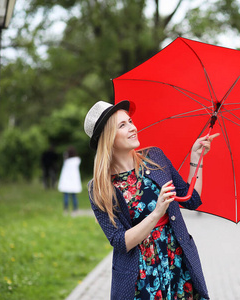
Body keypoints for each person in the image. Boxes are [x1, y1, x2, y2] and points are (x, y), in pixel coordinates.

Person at [84, 100, 219, 300]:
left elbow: (191, 199)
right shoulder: (100, 188)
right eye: (123, 125)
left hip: (176, 262)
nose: (133, 128)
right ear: (108, 138)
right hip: (140, 274)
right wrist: (157, 213)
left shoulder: (154, 157)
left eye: (130, 121)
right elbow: (120, 242)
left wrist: (196, 158)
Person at [57, 146, 82, 214]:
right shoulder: (77, 160)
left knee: (66, 196)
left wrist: (65, 156)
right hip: (74, 182)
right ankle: (75, 210)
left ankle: (66, 210)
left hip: (66, 182)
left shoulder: (67, 161)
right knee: (74, 196)